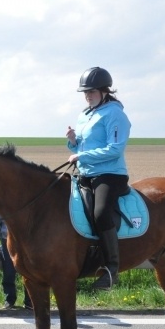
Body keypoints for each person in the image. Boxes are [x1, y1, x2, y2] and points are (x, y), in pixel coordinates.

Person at [66, 66, 131, 290]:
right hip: (86, 173)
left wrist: (81, 154)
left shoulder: (115, 114)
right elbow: (83, 145)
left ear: (104, 91)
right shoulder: (85, 114)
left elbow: (115, 149)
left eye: (91, 91)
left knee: (101, 213)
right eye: (85, 92)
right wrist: (73, 141)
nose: (87, 95)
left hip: (110, 174)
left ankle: (112, 269)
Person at [0, 218, 32, 310]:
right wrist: (3, 236)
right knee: (8, 272)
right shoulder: (2, 205)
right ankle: (9, 300)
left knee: (27, 272)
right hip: (6, 240)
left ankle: (29, 301)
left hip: (25, 240)